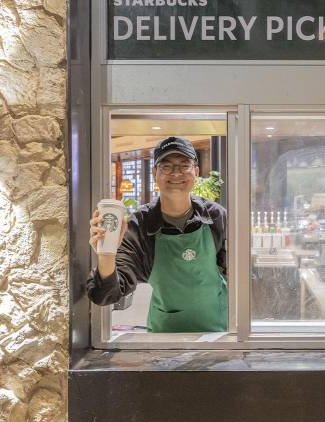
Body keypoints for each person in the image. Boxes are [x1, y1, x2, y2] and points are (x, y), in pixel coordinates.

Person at [87, 137, 227, 333]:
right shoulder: (139, 224)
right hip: (165, 337)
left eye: (184, 165)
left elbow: (235, 273)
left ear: (195, 172)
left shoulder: (215, 215)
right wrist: (106, 253)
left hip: (219, 331)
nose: (176, 173)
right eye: (167, 166)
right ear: (155, 173)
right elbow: (106, 296)